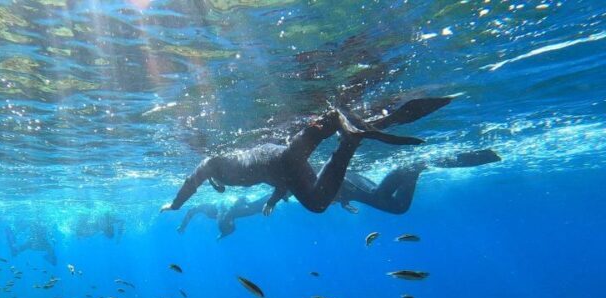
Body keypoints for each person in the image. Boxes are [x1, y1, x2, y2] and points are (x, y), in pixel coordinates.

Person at [161, 97, 454, 215]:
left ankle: (335, 124)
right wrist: (275, 200)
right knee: (316, 204)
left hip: (278, 158)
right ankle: (347, 137)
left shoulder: (211, 163)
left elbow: (191, 182)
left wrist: (175, 205)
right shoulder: (223, 168)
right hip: (282, 167)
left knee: (306, 181)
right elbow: (270, 178)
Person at [178, 149, 501, 238]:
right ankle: (414, 168)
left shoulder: (272, 177)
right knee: (395, 205)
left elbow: (301, 181)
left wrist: (276, 199)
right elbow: (297, 185)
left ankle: (414, 166)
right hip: (343, 189)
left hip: (343, 183)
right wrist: (342, 201)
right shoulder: (274, 182)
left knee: (391, 202)